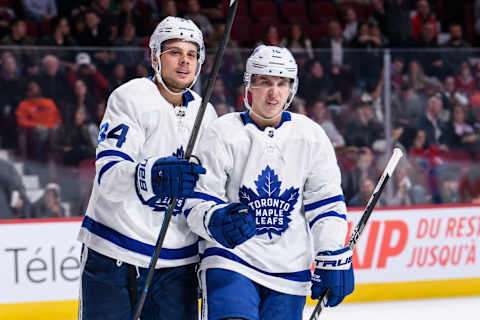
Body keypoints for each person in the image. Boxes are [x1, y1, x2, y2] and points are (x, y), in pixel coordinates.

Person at [186, 45, 354, 320]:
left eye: (281, 83)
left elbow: (326, 204)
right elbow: (197, 201)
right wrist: (216, 219)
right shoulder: (222, 133)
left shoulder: (311, 136)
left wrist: (331, 251)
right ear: (249, 86)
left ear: (292, 88)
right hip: (231, 260)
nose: (273, 92)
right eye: (264, 82)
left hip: (290, 269)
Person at [77, 16, 217, 320]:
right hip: (114, 252)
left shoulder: (206, 114)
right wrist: (153, 175)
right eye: (174, 52)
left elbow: (207, 189)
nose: (184, 61)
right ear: (155, 56)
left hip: (178, 262)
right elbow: (110, 178)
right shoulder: (130, 98)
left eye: (192, 54)